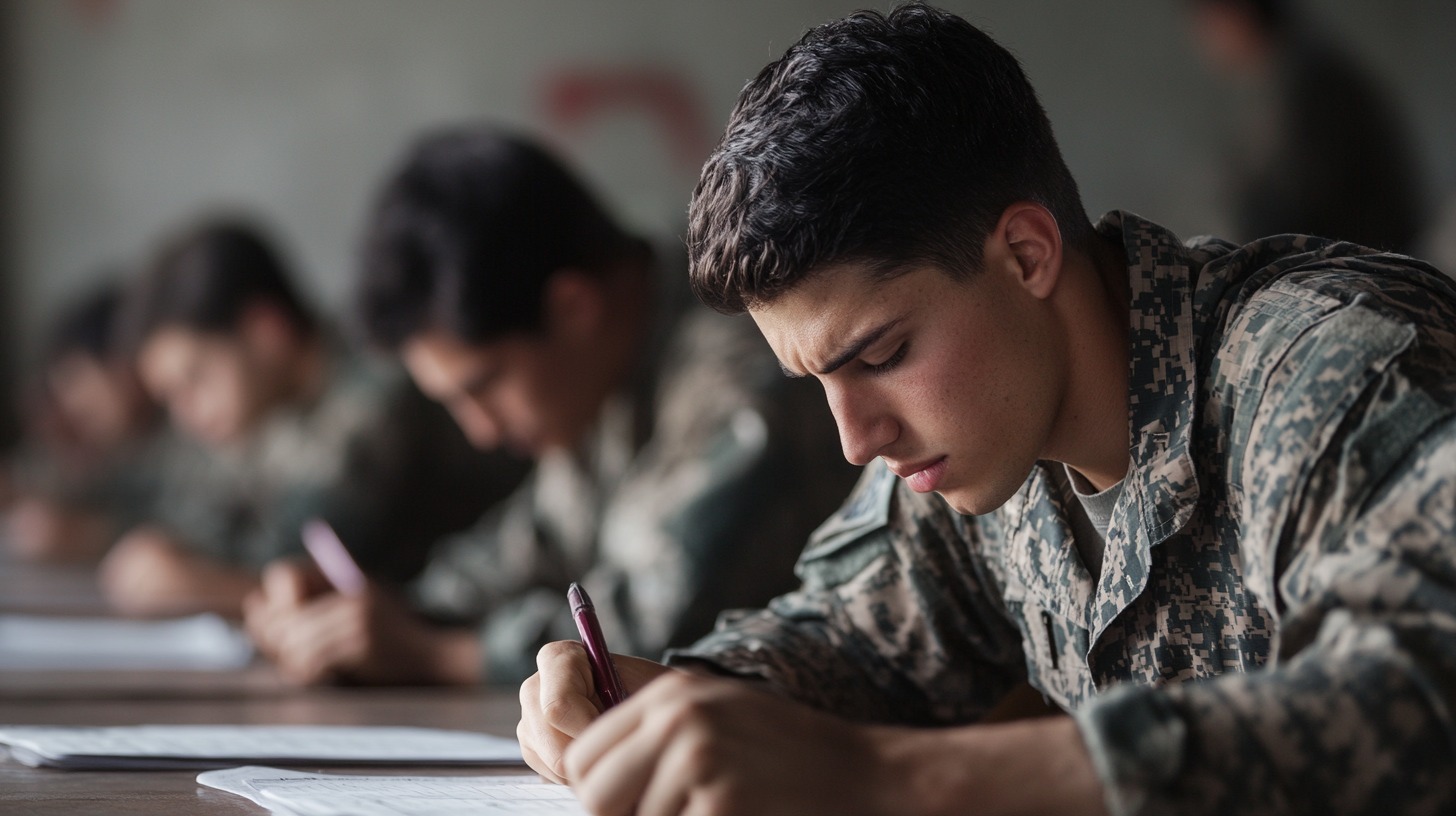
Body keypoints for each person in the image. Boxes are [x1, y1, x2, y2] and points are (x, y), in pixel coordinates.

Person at [517, 5, 1456, 815]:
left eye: (881, 355)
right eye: (821, 385)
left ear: (1025, 252)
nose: (856, 439)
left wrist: (894, 783)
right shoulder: (980, 442)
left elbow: (1422, 698)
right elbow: (844, 639)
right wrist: (674, 707)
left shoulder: (1329, 368)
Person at [243, 126, 856, 687]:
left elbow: (658, 618)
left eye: (481, 387)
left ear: (572, 309)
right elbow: (531, 540)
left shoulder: (738, 371)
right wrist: (379, 611)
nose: (480, 430)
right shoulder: (602, 377)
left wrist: (439, 656)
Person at [98, 217, 521, 618]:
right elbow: (225, 517)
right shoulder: (286, 412)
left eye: (195, 379)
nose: (186, 414)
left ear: (267, 329)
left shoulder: (377, 387)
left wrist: (203, 584)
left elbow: (312, 565)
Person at [1189, 0, 1426, 252]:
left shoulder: (1308, 81)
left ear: (1234, 12)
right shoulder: (1291, 70)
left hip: (1359, 268)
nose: (1201, 43)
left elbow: (1297, 204)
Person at [2, 281, 171, 563]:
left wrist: (92, 536)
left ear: (122, 363)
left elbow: (192, 523)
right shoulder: (122, 447)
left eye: (77, 381)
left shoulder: (186, 430)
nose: (72, 405)